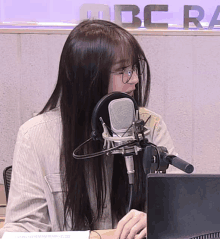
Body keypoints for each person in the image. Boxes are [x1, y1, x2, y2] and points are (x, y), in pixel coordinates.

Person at [0, 19, 176, 239]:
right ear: (89, 78)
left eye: (134, 68)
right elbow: (19, 234)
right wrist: (101, 236)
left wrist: (158, 219)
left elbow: (178, 210)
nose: (136, 79)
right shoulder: (35, 136)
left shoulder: (150, 126)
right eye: (123, 70)